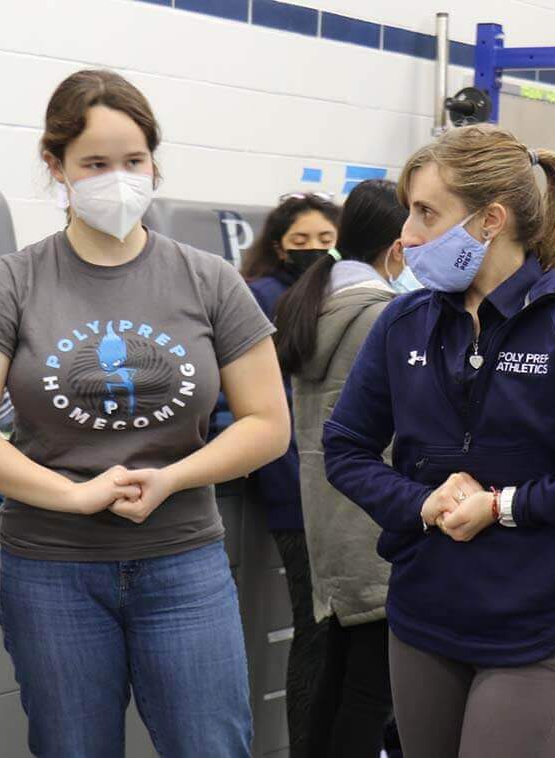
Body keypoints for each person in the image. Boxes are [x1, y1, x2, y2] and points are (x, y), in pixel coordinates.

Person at [0, 69, 291, 758]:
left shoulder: (208, 279)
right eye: (95, 163)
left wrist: (173, 478)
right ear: (56, 166)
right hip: (52, 570)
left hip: (183, 562)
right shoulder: (12, 282)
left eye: (133, 161)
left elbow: (268, 424)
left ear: (155, 161)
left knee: (211, 745)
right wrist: (73, 495)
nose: (117, 179)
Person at [323, 124, 555, 757]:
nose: (407, 235)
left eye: (426, 212)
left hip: (535, 625)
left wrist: (503, 506)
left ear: (490, 220)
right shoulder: (402, 321)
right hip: (422, 616)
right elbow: (345, 448)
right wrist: (420, 502)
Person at [274, 179, 411, 758]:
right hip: (375, 523)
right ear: (398, 245)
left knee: (338, 675)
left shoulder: (316, 300)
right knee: (370, 690)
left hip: (331, 519)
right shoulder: (382, 313)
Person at [239, 191, 340, 757]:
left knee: (339, 635)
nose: (313, 251)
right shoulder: (259, 297)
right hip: (291, 486)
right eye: (300, 242)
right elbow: (261, 402)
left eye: (325, 241)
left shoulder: (342, 293)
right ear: (278, 245)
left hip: (339, 485)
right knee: (317, 630)